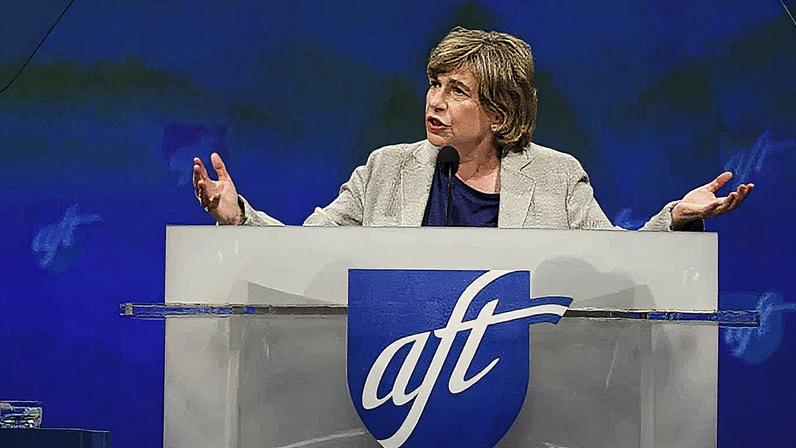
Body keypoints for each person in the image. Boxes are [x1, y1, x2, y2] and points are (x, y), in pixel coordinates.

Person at [192, 27, 752, 229]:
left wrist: (674, 220)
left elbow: (610, 273)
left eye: (456, 90)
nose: (434, 101)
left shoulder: (557, 178)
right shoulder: (386, 169)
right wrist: (239, 217)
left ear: (501, 113)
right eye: (433, 84)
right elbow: (304, 253)